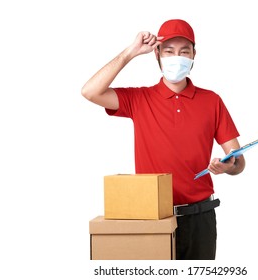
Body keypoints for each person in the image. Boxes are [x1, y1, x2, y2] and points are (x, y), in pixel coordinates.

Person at [81, 19, 246, 260]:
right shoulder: (139, 99)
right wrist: (130, 52)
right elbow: (90, 91)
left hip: (200, 218)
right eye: (169, 51)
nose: (176, 57)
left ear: (193, 55)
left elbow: (238, 162)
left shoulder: (212, 101)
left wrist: (228, 166)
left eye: (184, 51)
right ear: (157, 53)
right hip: (151, 216)